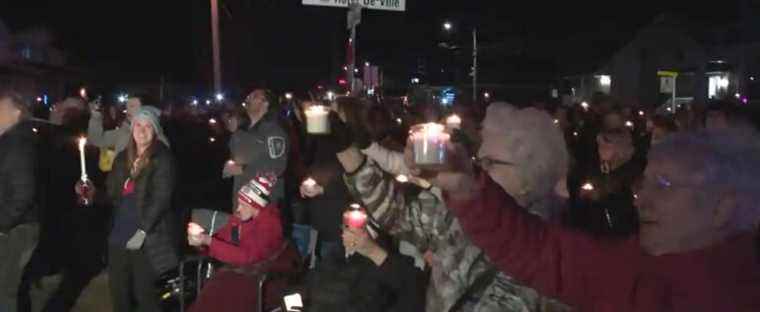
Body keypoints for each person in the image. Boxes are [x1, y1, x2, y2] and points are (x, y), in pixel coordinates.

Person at [435, 117, 760, 310]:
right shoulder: (636, 268)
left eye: (664, 185)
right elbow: (547, 254)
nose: (640, 200)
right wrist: (468, 191)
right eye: (643, 184)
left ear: (723, 207)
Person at [333, 103, 571, 311]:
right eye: (481, 160)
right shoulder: (461, 212)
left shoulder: (546, 253)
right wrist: (345, 148)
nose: (482, 171)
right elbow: (395, 213)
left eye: (491, 163)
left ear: (529, 179)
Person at [100, 106, 178, 312]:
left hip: (146, 237)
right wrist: (90, 193)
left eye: (148, 126)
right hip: (118, 235)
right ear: (132, 128)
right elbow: (111, 195)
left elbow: (161, 198)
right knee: (119, 293)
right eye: (138, 125)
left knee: (145, 296)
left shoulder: (162, 158)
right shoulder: (122, 159)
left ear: (155, 131)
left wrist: (142, 230)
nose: (142, 130)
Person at [187, 177, 285, 312]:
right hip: (235, 273)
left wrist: (208, 241)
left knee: (215, 292)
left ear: (256, 206)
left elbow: (247, 256)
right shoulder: (239, 219)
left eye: (243, 205)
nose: (238, 209)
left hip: (257, 279)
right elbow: (221, 240)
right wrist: (201, 243)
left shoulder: (270, 225)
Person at [0, 91, 38, 312]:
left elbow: (23, 193)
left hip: (17, 229)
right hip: (13, 225)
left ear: (16, 112)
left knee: (5, 290)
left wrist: (3, 224)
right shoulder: (11, 140)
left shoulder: (18, 144)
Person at [224, 89, 288, 205]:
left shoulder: (274, 131)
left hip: (263, 199)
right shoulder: (241, 131)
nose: (248, 98)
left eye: (254, 96)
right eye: (248, 95)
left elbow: (277, 167)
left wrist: (243, 169)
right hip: (241, 196)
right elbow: (234, 157)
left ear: (265, 103)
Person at [87, 95, 164, 155]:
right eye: (127, 106)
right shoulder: (123, 132)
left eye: (132, 106)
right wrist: (96, 116)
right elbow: (98, 140)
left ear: (146, 109)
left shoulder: (156, 137)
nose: (128, 110)